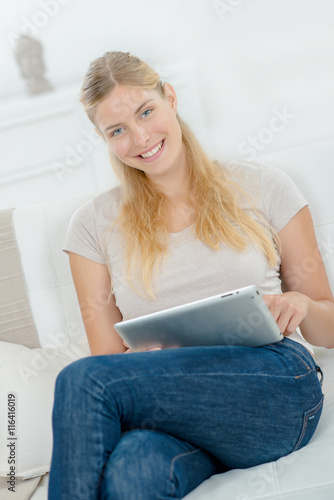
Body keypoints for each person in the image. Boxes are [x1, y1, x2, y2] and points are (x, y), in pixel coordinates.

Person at [48, 51, 334, 500]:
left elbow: (330, 329)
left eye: (146, 112)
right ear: (102, 139)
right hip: (173, 412)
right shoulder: (91, 226)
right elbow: (109, 356)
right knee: (131, 473)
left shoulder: (264, 185)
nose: (140, 138)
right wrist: (148, 362)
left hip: (274, 389)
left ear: (171, 98)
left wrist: (301, 305)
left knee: (81, 379)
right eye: (117, 131)